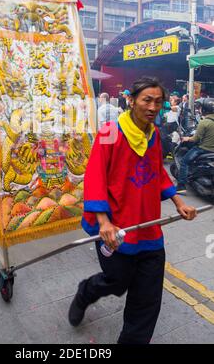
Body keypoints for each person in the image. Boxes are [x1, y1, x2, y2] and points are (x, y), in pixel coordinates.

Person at [68, 76, 196, 344]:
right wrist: (103, 221)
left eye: (158, 102)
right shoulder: (110, 133)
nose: (153, 107)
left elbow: (157, 172)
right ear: (131, 101)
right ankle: (86, 292)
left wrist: (178, 201)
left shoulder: (155, 135)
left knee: (148, 299)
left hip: (148, 226)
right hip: (115, 227)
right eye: (146, 100)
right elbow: (95, 177)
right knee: (117, 281)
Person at [176, 98, 214, 193]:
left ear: (205, 109)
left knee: (184, 162)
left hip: (203, 149)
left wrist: (186, 138)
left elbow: (195, 139)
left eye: (200, 108)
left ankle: (181, 186)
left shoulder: (204, 122)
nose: (199, 110)